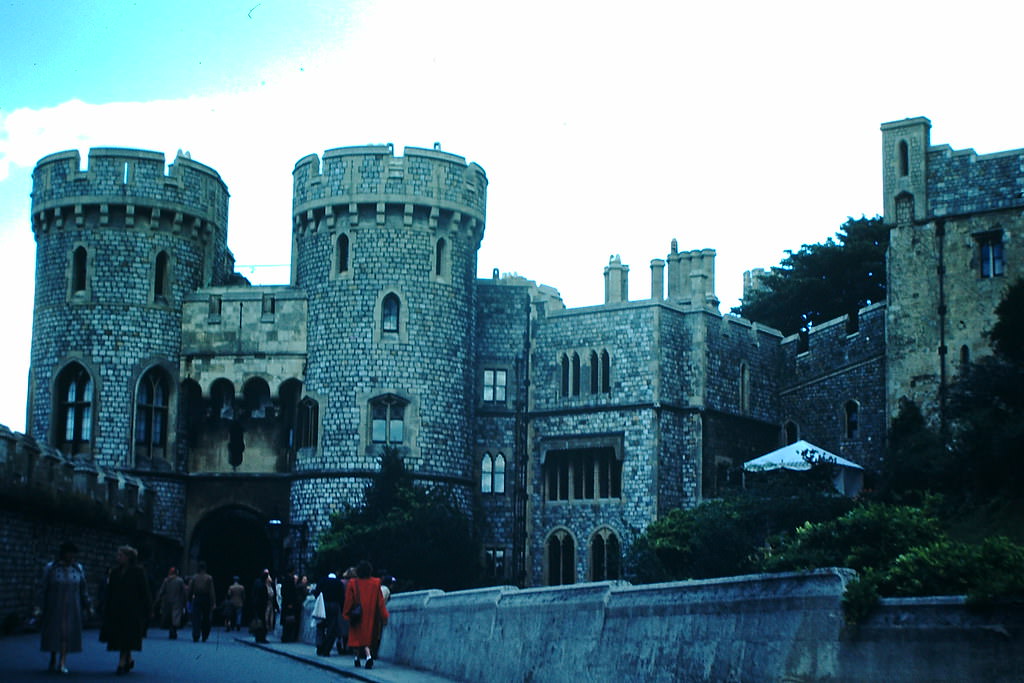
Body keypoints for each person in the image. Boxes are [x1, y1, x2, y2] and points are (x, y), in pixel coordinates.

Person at [37, 541, 90, 674]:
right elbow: (43, 588)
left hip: (73, 607)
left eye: (73, 553)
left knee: (67, 634)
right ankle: (53, 657)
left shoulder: (78, 568)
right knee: (54, 634)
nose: (71, 556)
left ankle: (62, 661)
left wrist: (88, 604)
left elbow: (83, 589)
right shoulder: (51, 568)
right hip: (55, 605)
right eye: (69, 553)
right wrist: (39, 606)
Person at [99, 545, 151, 675]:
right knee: (121, 636)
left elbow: (144, 592)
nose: (118, 558)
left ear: (128, 557)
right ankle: (128, 658)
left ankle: (121, 662)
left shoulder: (138, 572)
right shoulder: (115, 572)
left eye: (120, 555)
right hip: (117, 609)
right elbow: (110, 591)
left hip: (132, 610)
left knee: (127, 636)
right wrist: (105, 606)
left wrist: (148, 608)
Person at [343, 560, 389, 670]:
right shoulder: (376, 583)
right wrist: (384, 615)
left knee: (357, 637)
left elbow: (349, 600)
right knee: (367, 638)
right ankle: (368, 656)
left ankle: (357, 658)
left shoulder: (353, 583)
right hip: (370, 616)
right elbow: (380, 602)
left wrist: (346, 613)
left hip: (357, 615)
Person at [152, 566, 186, 639]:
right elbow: (183, 592)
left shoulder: (166, 580)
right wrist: (184, 601)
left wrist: (158, 600)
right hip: (177, 601)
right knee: (175, 617)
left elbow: (162, 591)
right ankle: (174, 630)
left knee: (169, 616)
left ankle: (171, 630)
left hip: (167, 601)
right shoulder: (180, 581)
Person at [315, 570, 343, 656]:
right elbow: (342, 596)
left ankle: (320, 646)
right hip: (334, 605)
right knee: (332, 628)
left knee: (320, 626)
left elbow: (316, 592)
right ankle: (327, 649)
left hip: (323, 604)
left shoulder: (322, 581)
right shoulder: (338, 583)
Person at [188, 561, 216, 642]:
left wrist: (189, 599)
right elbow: (211, 591)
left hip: (197, 598)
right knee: (206, 617)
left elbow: (190, 589)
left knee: (196, 617)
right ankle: (205, 635)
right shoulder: (209, 578)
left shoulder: (194, 577)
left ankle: (196, 634)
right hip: (206, 598)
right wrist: (213, 602)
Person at [372, 573, 395, 658]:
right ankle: (373, 653)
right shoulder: (386, 590)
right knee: (377, 634)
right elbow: (380, 603)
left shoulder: (380, 588)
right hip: (377, 614)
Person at [249, 569, 272, 643]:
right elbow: (264, 598)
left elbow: (253, 593)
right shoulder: (263, 586)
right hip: (261, 606)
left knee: (257, 621)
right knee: (262, 622)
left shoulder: (256, 582)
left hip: (255, 605)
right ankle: (262, 637)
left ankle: (257, 636)